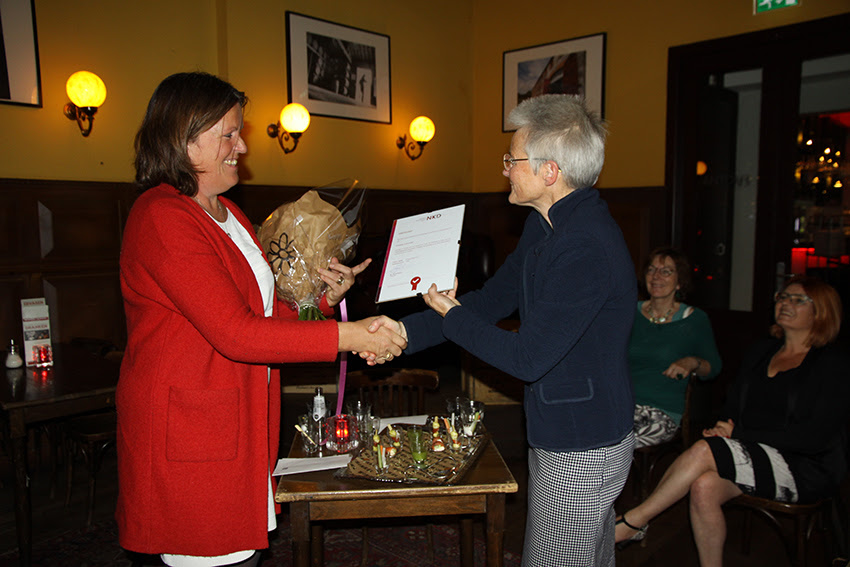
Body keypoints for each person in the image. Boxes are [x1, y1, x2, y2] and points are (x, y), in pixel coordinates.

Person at [116, 72, 405, 567]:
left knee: (241, 555)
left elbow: (265, 315)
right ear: (184, 138)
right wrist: (349, 337)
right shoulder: (162, 216)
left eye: (238, 131)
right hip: (191, 431)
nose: (242, 145)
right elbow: (235, 331)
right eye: (227, 133)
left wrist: (323, 300)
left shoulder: (227, 212)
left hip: (238, 418)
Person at [368, 94, 637, 566]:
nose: (506, 169)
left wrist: (453, 317)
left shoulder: (585, 246)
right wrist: (406, 334)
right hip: (565, 429)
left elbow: (527, 358)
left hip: (582, 439)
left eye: (513, 159)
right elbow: (493, 299)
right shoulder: (548, 224)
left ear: (549, 171)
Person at [615, 275, 849, 567]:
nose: (785, 303)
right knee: (703, 487)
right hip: (756, 452)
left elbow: (813, 437)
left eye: (798, 299)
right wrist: (726, 426)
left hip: (805, 466)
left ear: (822, 311)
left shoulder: (831, 364)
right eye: (782, 297)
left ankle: (633, 522)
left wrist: (740, 434)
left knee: (704, 450)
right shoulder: (761, 352)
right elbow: (735, 407)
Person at [629, 247, 722, 448]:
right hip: (622, 404)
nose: (656, 276)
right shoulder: (629, 313)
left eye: (666, 271)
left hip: (661, 411)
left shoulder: (695, 320)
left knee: (615, 445)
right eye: (651, 270)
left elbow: (713, 367)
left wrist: (692, 362)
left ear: (680, 281)